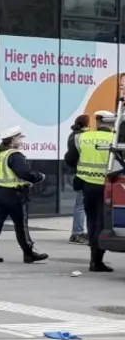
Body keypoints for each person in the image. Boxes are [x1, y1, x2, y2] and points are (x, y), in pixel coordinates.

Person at [0, 129, 48, 264]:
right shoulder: (15, 155)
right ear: (12, 140)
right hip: (13, 195)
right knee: (21, 225)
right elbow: (24, 173)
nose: (21, 141)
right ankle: (28, 253)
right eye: (19, 138)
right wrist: (39, 177)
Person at [73, 110, 118, 273]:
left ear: (97, 122)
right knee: (101, 222)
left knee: (91, 221)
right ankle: (96, 261)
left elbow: (71, 158)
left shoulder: (82, 137)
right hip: (106, 186)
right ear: (113, 123)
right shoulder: (115, 138)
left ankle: (94, 258)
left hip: (86, 185)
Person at [68, 114, 91, 243]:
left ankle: (79, 232)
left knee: (81, 203)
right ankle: (77, 233)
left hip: (79, 172)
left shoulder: (74, 135)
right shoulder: (82, 137)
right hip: (83, 173)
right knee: (81, 204)